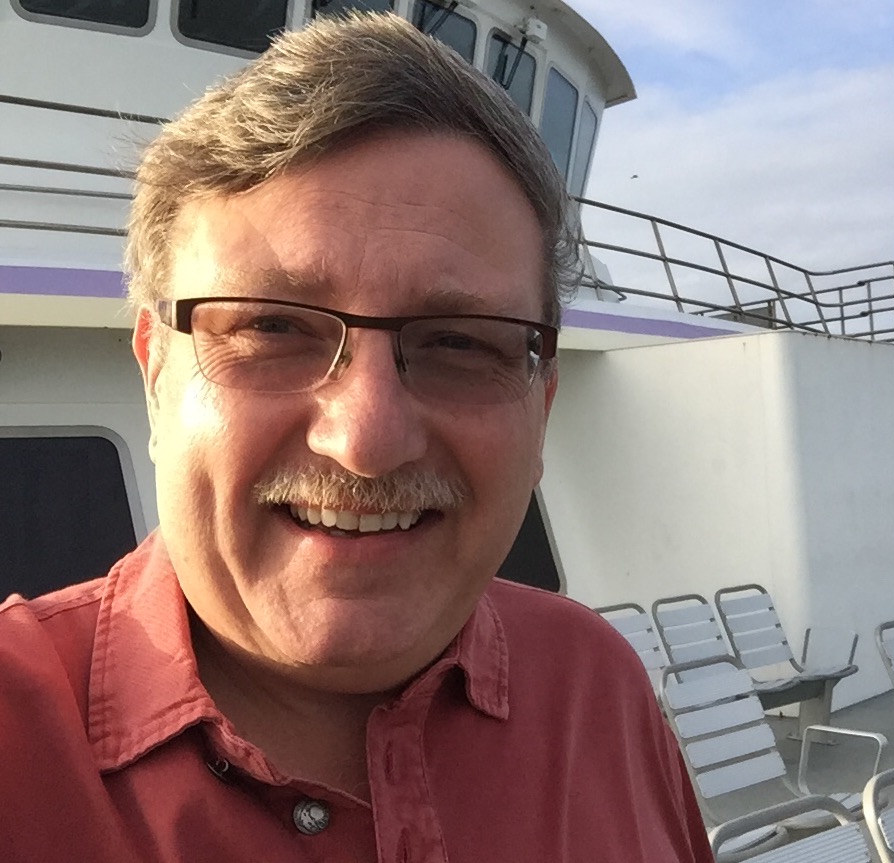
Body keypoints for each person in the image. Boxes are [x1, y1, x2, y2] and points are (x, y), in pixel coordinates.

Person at [0, 12, 712, 862]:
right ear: (156, 374)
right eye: (270, 328)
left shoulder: (598, 685)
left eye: (459, 342)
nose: (366, 439)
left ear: (543, 407)